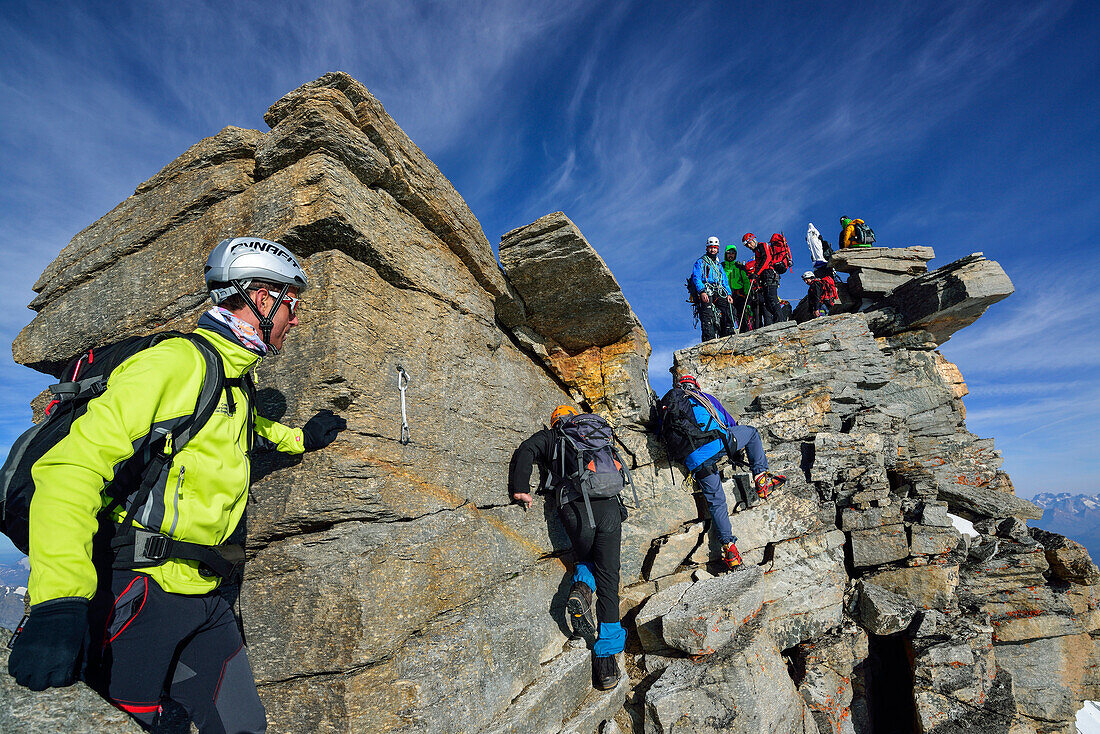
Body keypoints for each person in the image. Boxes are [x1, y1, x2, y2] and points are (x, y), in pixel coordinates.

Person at [8, 236, 348, 733]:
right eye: (289, 303)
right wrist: (59, 600)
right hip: (142, 591)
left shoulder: (236, 381)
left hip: (208, 594)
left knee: (244, 726)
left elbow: (247, 432)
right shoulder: (176, 364)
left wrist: (304, 439)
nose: (294, 319)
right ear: (257, 296)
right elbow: (70, 469)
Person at [509, 405, 627, 691]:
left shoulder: (552, 437)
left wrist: (520, 488)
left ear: (554, 422)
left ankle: (582, 590)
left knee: (586, 557)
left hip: (576, 509)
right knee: (609, 579)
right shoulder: (595, 437)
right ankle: (606, 664)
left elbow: (526, 450)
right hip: (610, 508)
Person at [658, 375, 786, 570]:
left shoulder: (669, 406)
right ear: (696, 386)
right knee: (751, 433)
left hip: (693, 460)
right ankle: (762, 479)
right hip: (715, 443)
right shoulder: (703, 397)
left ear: (678, 386)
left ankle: (730, 550)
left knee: (716, 502)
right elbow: (731, 425)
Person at [690, 236, 737, 342]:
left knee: (729, 308)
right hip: (706, 289)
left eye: (715, 247)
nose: (713, 250)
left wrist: (729, 294)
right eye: (711, 247)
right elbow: (696, 277)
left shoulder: (718, 266)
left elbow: (724, 280)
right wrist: (701, 291)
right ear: (707, 248)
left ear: (718, 249)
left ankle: (728, 333)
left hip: (718, 290)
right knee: (707, 313)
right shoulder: (701, 262)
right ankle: (708, 339)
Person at [742, 233, 785, 327]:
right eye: (747, 245)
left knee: (771, 298)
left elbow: (767, 258)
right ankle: (776, 321)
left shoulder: (761, 245)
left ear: (753, 240)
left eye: (749, 243)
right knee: (768, 300)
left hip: (769, 274)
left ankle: (781, 321)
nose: (749, 246)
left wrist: (756, 273)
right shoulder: (757, 250)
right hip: (766, 276)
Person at [722, 241, 752, 333]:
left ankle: (744, 332)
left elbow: (746, 281)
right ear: (725, 254)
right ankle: (727, 333)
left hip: (739, 294)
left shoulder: (739, 267)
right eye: (729, 253)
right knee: (727, 315)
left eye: (733, 254)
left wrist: (748, 294)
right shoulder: (721, 266)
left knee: (741, 314)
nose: (731, 255)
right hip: (726, 294)